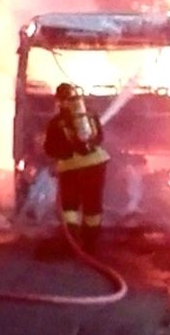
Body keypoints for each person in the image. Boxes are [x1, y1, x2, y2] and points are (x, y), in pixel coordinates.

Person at [42, 82, 110, 254]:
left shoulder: (56, 122)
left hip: (71, 168)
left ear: (58, 100)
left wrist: (62, 153)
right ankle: (90, 245)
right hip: (97, 164)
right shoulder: (90, 115)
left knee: (70, 206)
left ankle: (71, 244)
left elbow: (49, 148)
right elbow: (100, 138)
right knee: (93, 205)